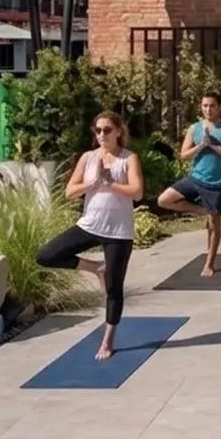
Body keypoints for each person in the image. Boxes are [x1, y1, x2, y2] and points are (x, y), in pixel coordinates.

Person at [36, 111, 144, 361]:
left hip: (119, 232)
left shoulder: (128, 158)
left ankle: (107, 341)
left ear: (118, 131)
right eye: (98, 130)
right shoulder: (88, 157)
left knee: (114, 289)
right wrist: (91, 183)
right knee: (46, 255)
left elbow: (137, 193)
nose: (102, 135)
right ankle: (96, 267)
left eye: (107, 130)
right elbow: (69, 192)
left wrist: (110, 184)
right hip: (90, 225)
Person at [156, 90, 221, 276]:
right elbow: (183, 155)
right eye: (205, 106)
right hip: (195, 178)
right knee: (164, 200)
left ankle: (209, 263)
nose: (208, 109)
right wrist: (201, 145)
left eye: (212, 105)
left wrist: (214, 145)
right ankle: (204, 211)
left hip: (216, 183)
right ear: (201, 107)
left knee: (214, 225)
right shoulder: (195, 128)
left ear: (219, 107)